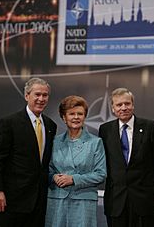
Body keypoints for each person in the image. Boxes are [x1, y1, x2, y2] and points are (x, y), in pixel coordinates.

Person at [99, 87, 154, 227]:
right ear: (113, 108)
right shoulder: (105, 130)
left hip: (144, 199)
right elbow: (104, 161)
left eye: (127, 103)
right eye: (119, 105)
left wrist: (146, 181)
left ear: (133, 105)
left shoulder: (150, 127)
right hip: (116, 200)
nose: (124, 108)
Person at [0, 77, 57, 227]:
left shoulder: (50, 125)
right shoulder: (9, 123)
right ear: (27, 96)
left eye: (45, 95)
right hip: (12, 200)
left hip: (39, 202)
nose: (41, 99)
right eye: (37, 94)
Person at [45, 95, 107, 227]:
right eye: (71, 114)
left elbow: (101, 174)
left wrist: (73, 179)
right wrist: (54, 177)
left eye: (80, 114)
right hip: (57, 200)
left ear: (85, 117)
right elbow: (45, 170)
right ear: (64, 117)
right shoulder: (54, 142)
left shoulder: (95, 142)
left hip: (83, 200)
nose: (76, 117)